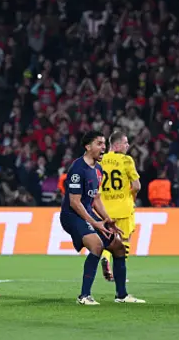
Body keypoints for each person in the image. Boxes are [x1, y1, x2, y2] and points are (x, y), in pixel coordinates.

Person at [59, 130, 145, 305]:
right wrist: (95, 223)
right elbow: (75, 202)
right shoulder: (77, 169)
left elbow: (96, 198)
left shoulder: (98, 169)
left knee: (119, 247)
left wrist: (107, 220)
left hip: (87, 213)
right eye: (99, 144)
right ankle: (84, 296)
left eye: (104, 144)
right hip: (72, 216)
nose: (103, 148)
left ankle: (122, 295)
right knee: (97, 246)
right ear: (88, 146)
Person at [99, 131, 141, 282]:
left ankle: (105, 257)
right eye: (125, 142)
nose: (128, 145)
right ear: (116, 145)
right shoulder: (126, 160)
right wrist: (130, 195)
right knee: (125, 239)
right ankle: (119, 273)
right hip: (123, 207)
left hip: (104, 209)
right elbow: (137, 186)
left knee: (108, 241)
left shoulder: (99, 160)